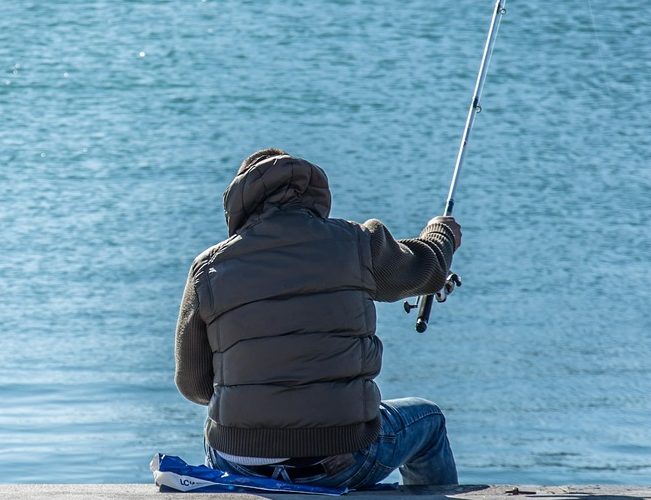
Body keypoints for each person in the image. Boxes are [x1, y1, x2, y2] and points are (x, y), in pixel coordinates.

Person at [174, 149, 461, 489]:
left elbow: (193, 385)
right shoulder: (356, 243)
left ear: (240, 200)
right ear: (315, 193)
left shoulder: (207, 269)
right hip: (342, 458)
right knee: (428, 419)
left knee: (219, 424)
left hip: (239, 461)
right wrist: (441, 234)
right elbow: (424, 269)